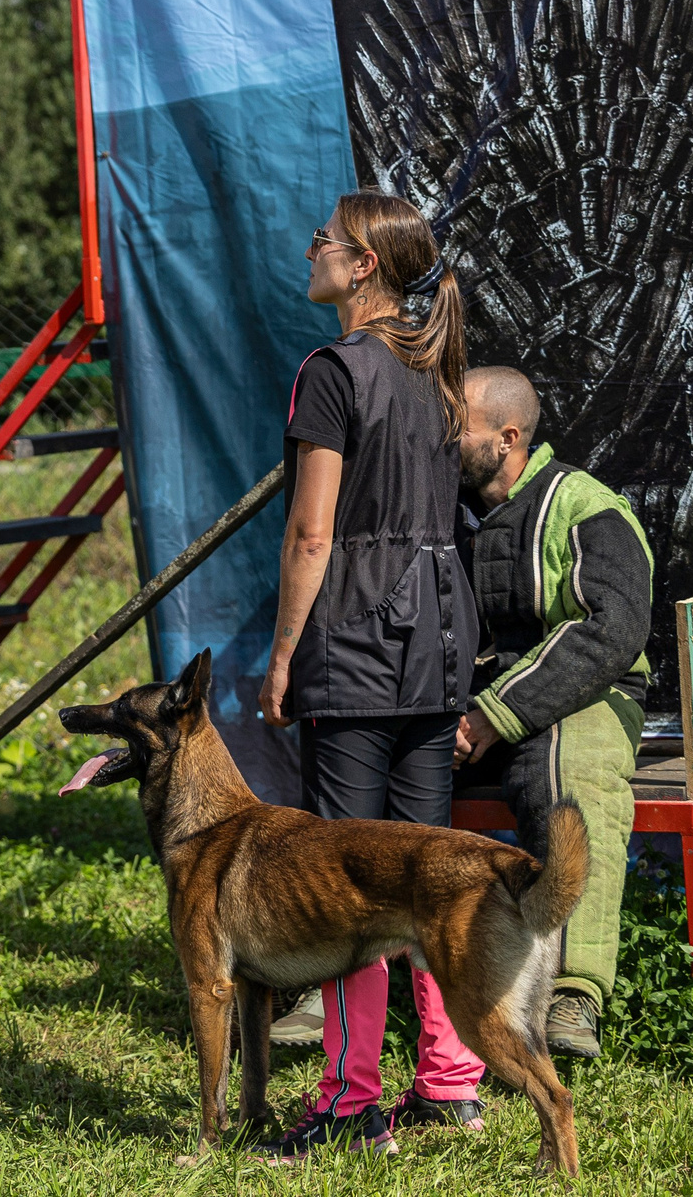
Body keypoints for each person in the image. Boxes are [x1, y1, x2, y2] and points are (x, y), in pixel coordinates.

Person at [255, 191, 485, 1162]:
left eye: (324, 241)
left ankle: (349, 1100)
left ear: (360, 267)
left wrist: (278, 655)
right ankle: (450, 1080)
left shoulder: (333, 369)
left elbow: (313, 533)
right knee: (424, 868)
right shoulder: (436, 369)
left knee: (348, 882)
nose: (310, 249)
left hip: (352, 642)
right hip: (437, 644)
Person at [452, 365, 650, 1059]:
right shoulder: (444, 507)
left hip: (592, 693)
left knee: (571, 775)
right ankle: (335, 989)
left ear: (507, 437)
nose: (444, 432)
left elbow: (612, 628)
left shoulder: (586, 506)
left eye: (461, 422)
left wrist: (491, 716)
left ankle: (574, 993)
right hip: (472, 704)